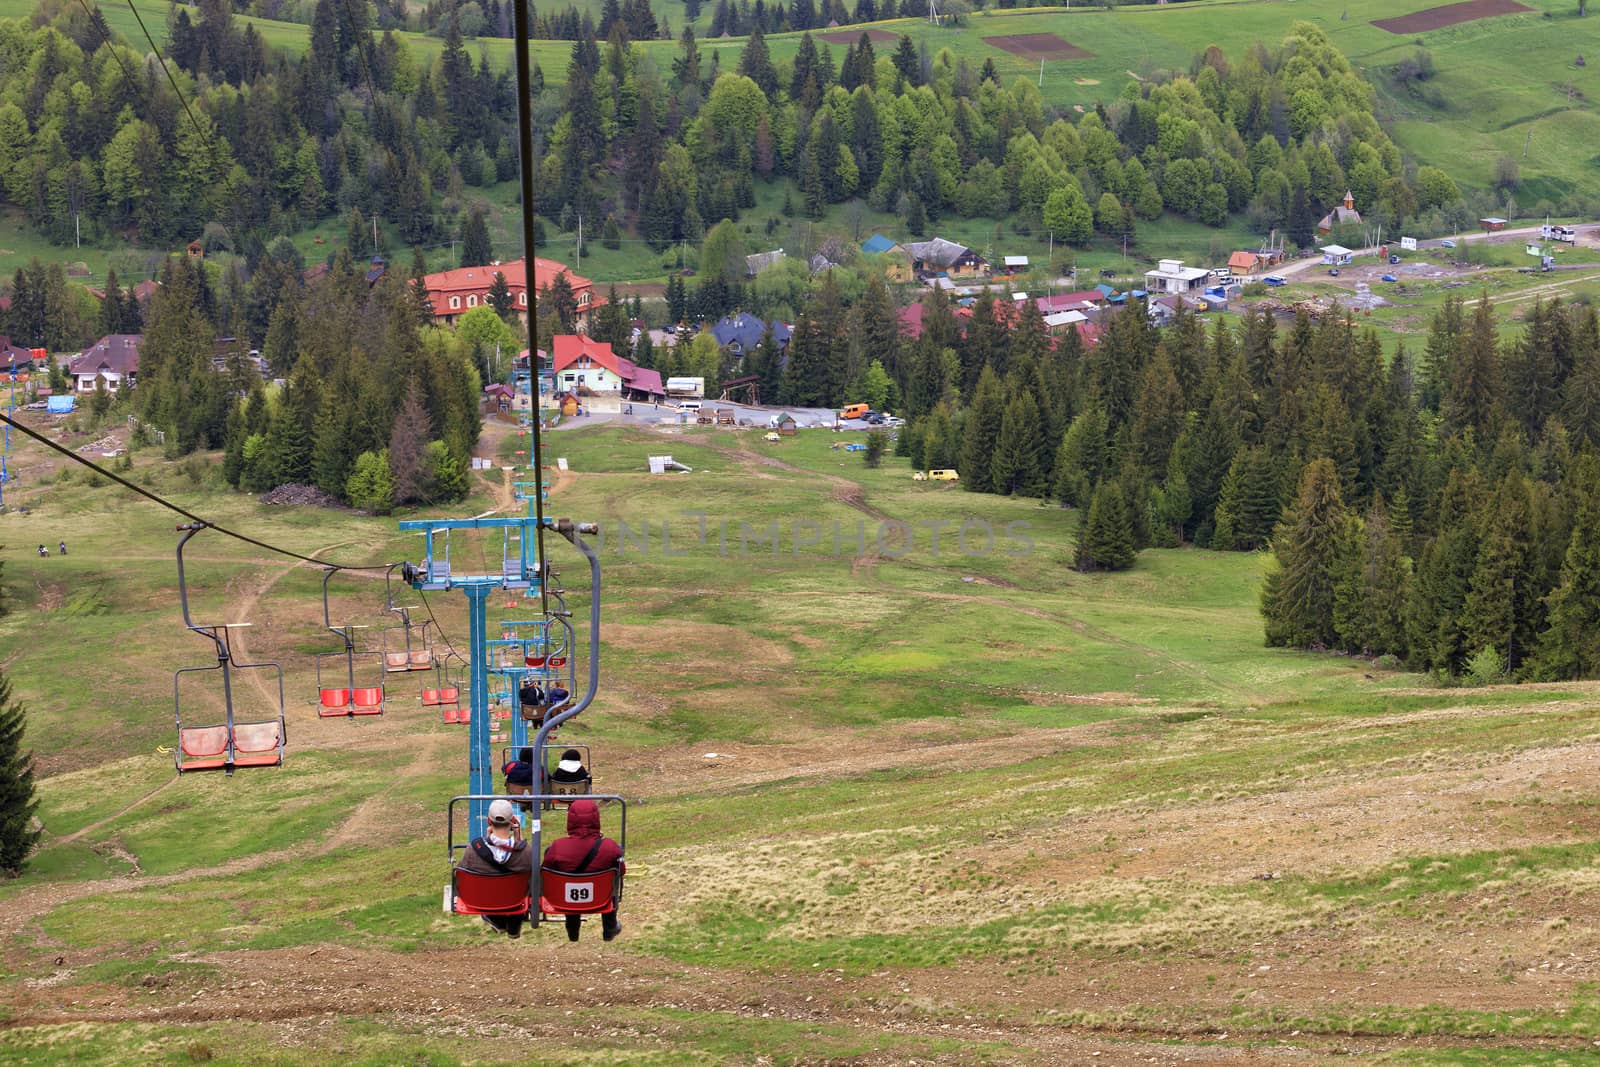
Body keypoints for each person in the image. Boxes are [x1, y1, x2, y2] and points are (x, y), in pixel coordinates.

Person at [543, 798, 623, 942]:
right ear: (596, 818)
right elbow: (621, 871)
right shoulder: (609, 847)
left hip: (566, 900)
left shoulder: (557, 847)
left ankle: (573, 930)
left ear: (571, 819)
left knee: (569, 884)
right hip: (600, 899)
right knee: (613, 883)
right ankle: (609, 927)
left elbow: (546, 872)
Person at [454, 799, 534, 938]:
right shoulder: (526, 851)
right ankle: (514, 922)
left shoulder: (473, 850)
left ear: (489, 822)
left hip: (483, 901)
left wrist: (486, 841)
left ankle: (498, 921)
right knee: (523, 885)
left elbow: (461, 876)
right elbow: (532, 872)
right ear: (513, 821)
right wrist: (518, 839)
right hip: (514, 900)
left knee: (486, 885)